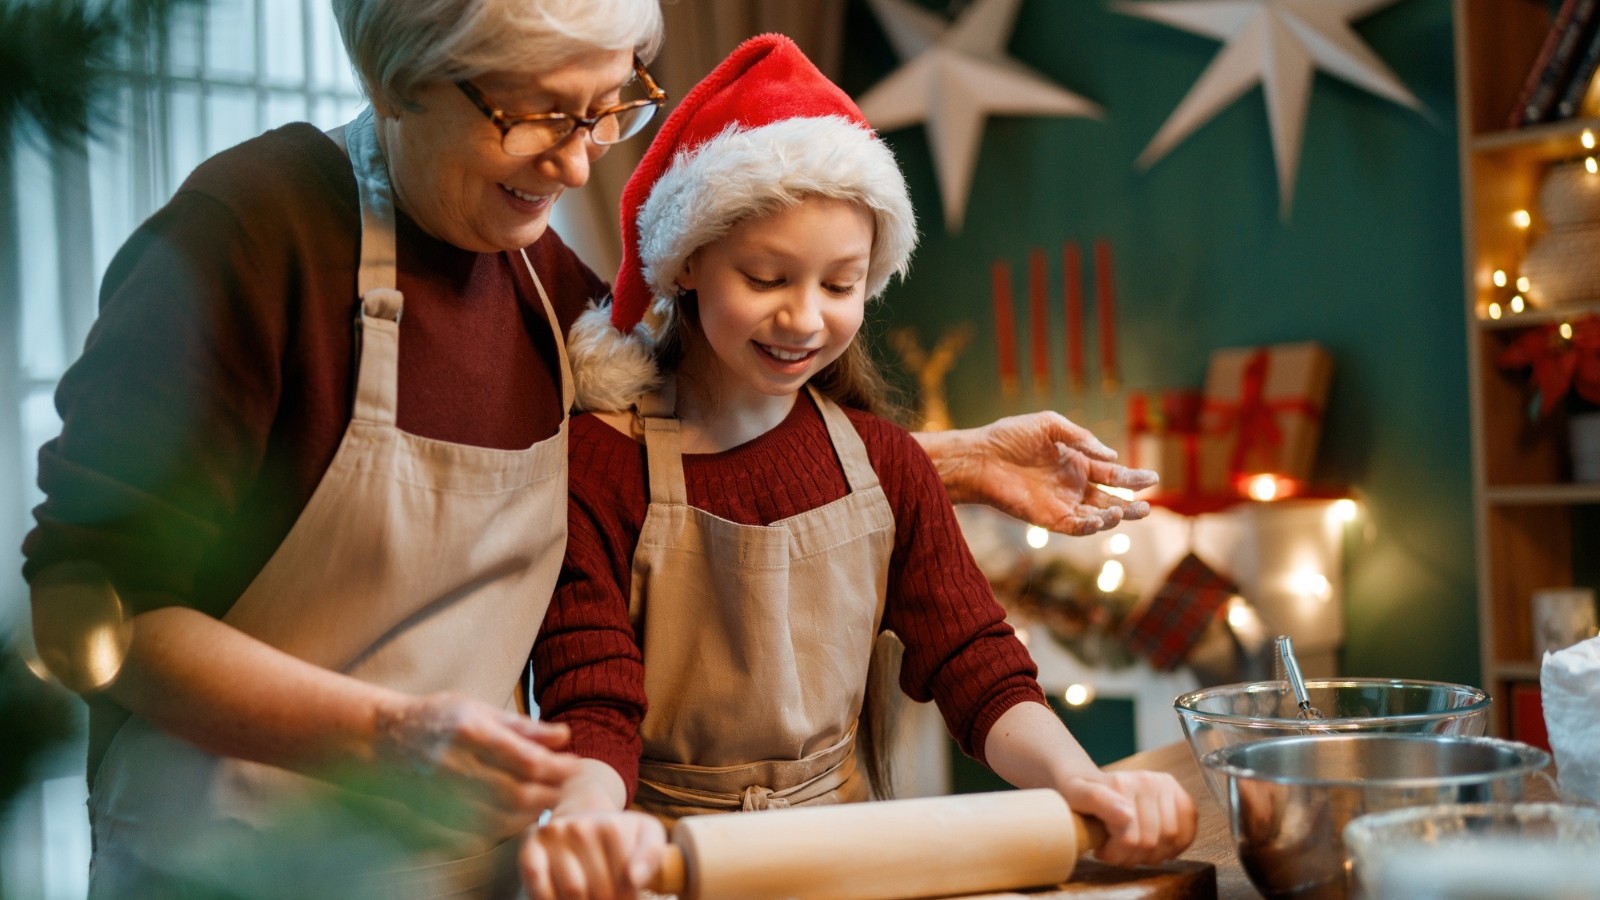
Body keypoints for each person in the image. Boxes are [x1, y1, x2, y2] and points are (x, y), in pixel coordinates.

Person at [21, 0, 1155, 895]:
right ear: (395, 81)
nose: (578, 166)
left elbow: (721, 430)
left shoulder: (535, 272)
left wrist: (945, 463)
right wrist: (389, 732)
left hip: (475, 861)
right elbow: (91, 613)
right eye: (534, 114)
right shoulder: (250, 236)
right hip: (240, 865)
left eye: (609, 108)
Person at [520, 34, 1196, 900]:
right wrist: (583, 822)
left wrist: (1081, 781)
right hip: (659, 866)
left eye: (840, 285)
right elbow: (592, 697)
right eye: (767, 277)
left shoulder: (884, 463)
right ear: (688, 261)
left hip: (850, 860)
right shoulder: (599, 465)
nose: (804, 318)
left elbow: (978, 665)